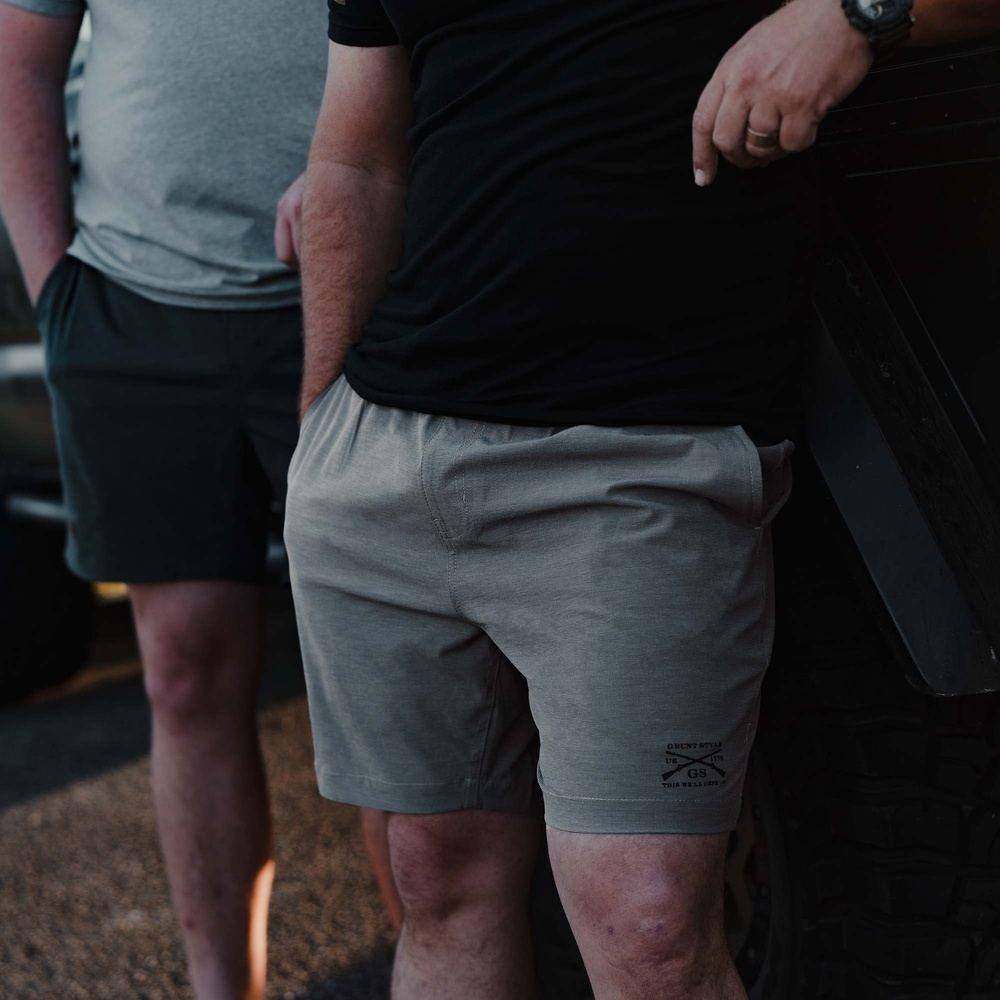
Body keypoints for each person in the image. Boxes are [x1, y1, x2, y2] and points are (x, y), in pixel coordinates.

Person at [286, 1, 996, 998]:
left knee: (650, 928)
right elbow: (357, 160)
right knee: (437, 879)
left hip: (641, 463)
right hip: (384, 455)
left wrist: (853, 13)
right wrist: (321, 427)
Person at [0, 3, 326, 997]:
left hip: (350, 291)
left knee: (390, 691)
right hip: (138, 307)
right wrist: (58, 294)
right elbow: (18, 55)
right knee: (184, 673)